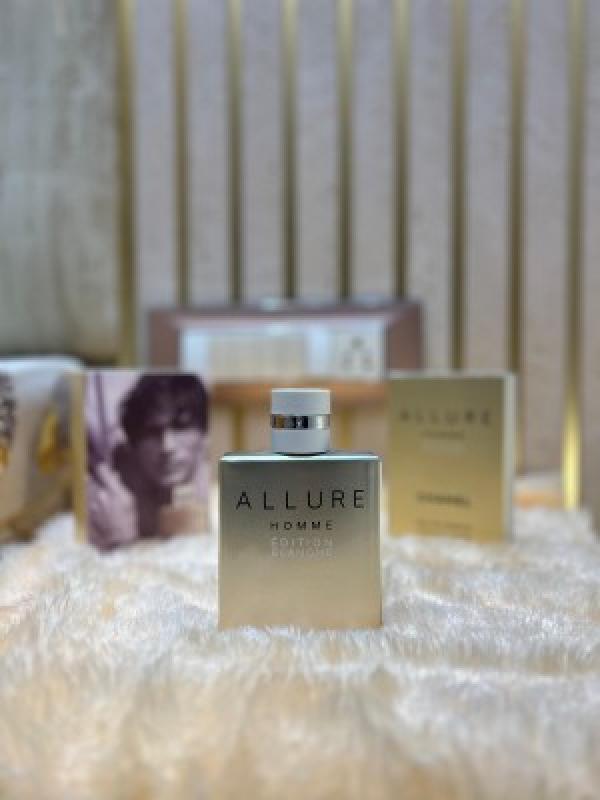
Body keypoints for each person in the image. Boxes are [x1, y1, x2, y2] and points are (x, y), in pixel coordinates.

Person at [87, 374, 208, 549]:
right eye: (152, 432)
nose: (167, 447)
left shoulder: (217, 488)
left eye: (180, 427)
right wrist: (118, 541)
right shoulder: (109, 494)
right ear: (133, 443)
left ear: (203, 434)